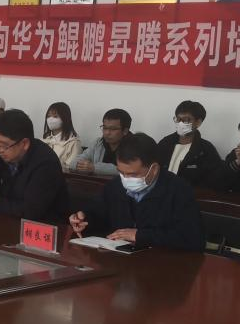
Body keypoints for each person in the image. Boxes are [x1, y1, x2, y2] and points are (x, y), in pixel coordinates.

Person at [69, 133, 205, 252]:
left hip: (162, 265)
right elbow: (99, 214)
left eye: (133, 174)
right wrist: (84, 220)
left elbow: (192, 239)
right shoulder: (115, 186)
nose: (126, 179)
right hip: (118, 261)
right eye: (121, 172)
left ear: (154, 169)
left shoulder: (178, 190)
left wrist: (140, 235)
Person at [0, 109, 70, 224]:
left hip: (44, 228)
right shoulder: (6, 156)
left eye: (4, 145)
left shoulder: (46, 163)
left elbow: (31, 211)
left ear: (24, 143)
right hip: (9, 221)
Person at [156, 101, 221, 187]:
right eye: (178, 119)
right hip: (162, 191)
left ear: (198, 122)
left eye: (186, 120)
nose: (180, 123)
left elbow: (214, 180)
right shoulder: (165, 143)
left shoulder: (206, 150)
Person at [71, 108, 131, 176]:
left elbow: (128, 170)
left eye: (113, 129)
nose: (107, 133)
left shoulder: (134, 146)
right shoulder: (98, 143)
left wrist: (95, 168)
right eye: (105, 128)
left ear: (125, 131)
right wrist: (83, 166)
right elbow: (73, 163)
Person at [41, 102, 81, 169]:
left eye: (55, 116)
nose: (50, 119)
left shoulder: (73, 143)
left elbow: (70, 168)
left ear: (65, 118)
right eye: (48, 116)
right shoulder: (44, 140)